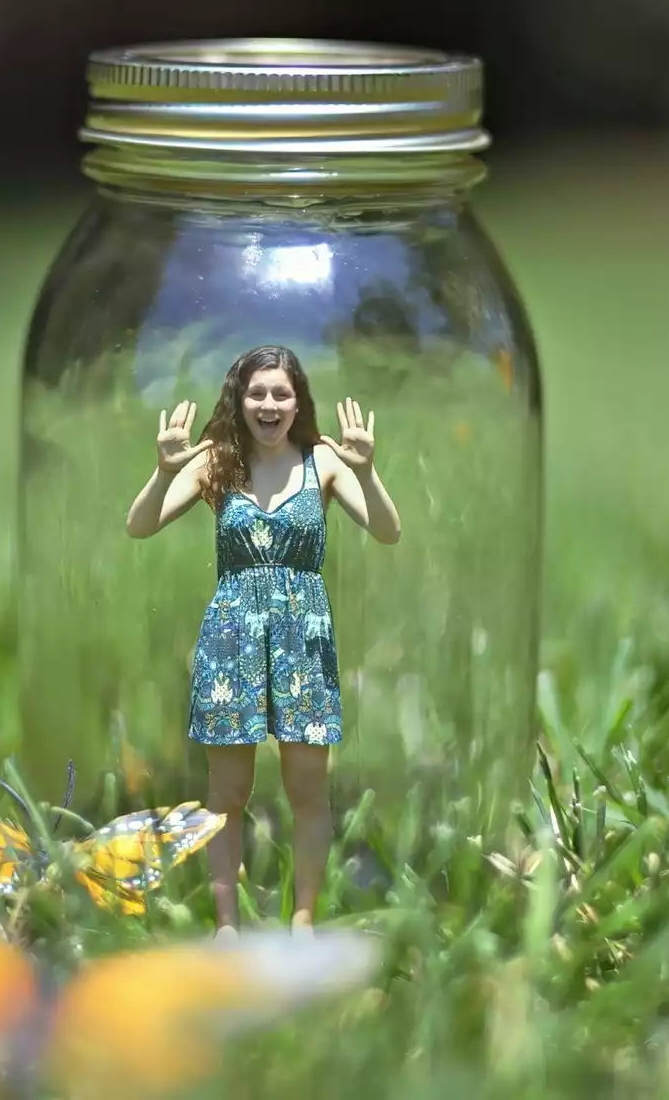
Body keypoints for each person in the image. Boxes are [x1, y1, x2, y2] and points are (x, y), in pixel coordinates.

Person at [125, 345, 401, 938]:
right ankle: (226, 924)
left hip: (303, 638)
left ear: (298, 400)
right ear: (238, 399)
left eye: (280, 393)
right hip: (232, 640)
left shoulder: (321, 460)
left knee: (307, 786)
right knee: (227, 791)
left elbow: (387, 530)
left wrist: (367, 470)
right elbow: (140, 524)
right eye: (257, 393)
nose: (269, 404)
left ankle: (303, 918)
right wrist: (165, 471)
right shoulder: (215, 462)